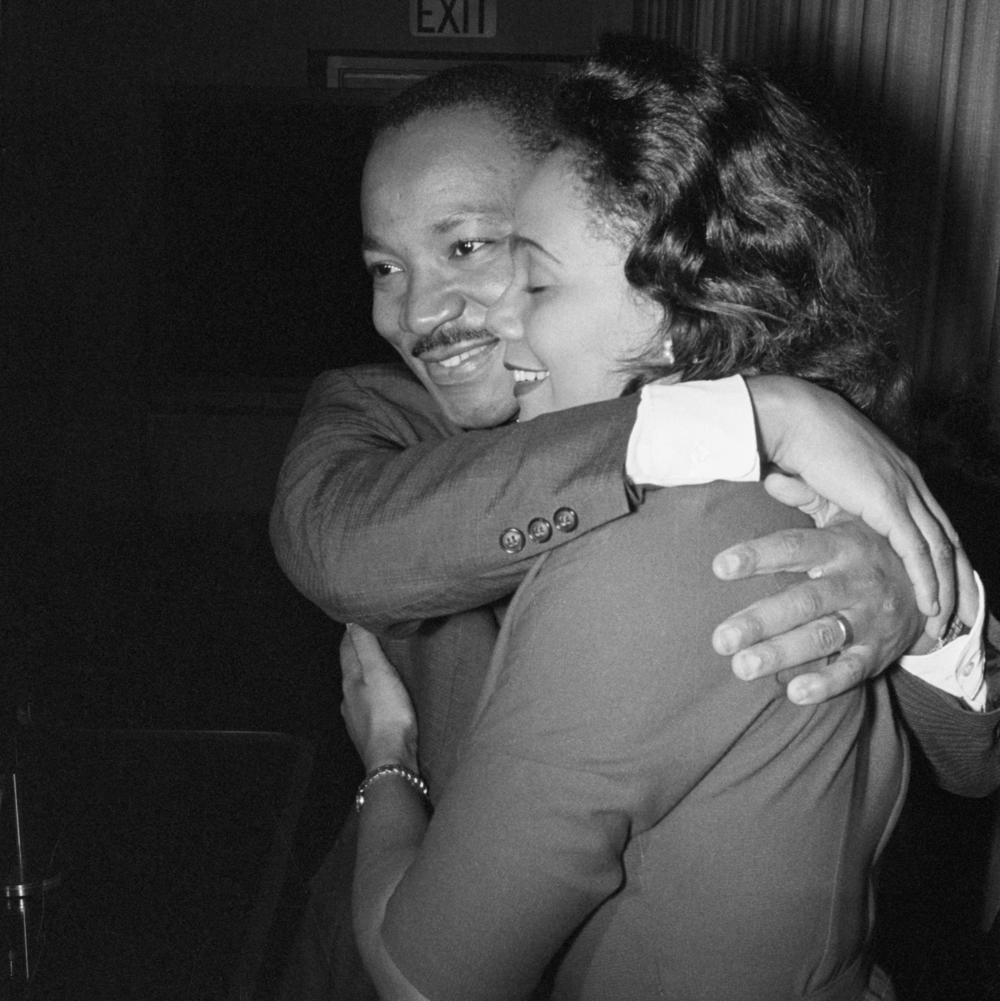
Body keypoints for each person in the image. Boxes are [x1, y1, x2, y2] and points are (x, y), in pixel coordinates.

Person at [272, 62, 998, 1001]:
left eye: (472, 250)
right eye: (384, 267)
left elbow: (971, 758)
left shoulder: (806, 482)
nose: (419, 313)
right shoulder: (373, 416)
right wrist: (741, 414)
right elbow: (342, 547)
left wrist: (918, 597)